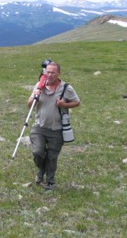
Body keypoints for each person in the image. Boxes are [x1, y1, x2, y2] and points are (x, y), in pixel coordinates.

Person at [27, 61, 80, 190]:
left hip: (57, 129)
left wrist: (64, 105)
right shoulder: (39, 86)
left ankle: (50, 182)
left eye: (52, 72)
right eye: (47, 72)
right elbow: (29, 105)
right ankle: (41, 169)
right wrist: (34, 97)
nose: (49, 75)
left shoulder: (66, 88)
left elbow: (77, 102)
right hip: (39, 126)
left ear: (58, 73)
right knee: (38, 152)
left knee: (52, 157)